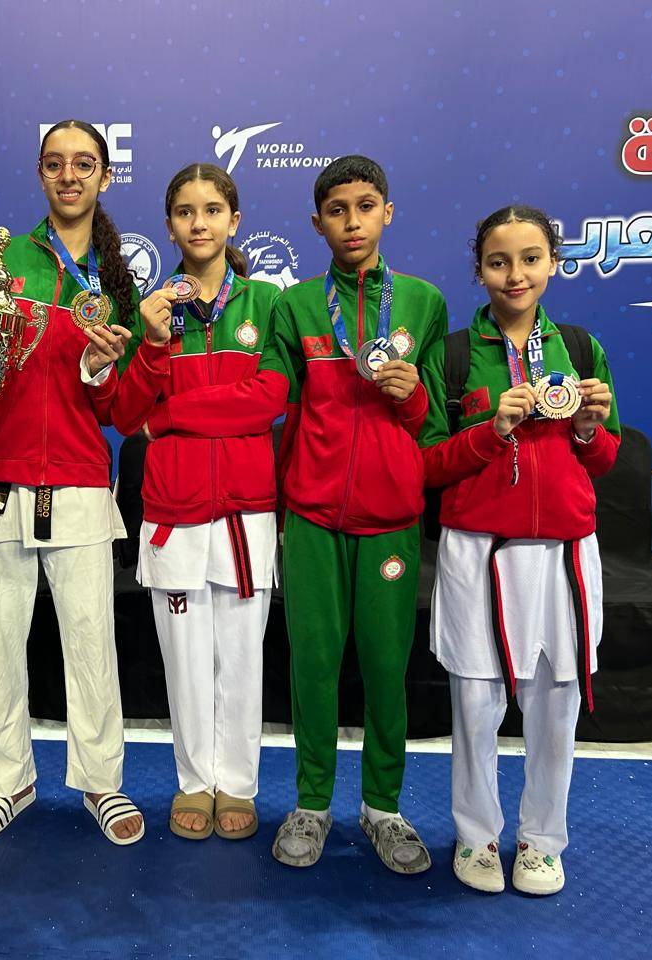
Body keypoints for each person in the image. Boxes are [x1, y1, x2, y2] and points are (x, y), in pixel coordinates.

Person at [0, 119, 144, 846]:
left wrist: (99, 369)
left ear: (105, 176)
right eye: (55, 163)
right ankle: (8, 781)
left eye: (84, 164)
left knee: (91, 643)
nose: (69, 176)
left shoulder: (117, 280)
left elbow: (122, 410)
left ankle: (101, 781)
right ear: (39, 172)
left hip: (81, 480)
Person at [418, 204, 619, 895]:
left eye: (531, 258)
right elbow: (428, 464)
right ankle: (476, 836)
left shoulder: (581, 349)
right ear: (479, 271)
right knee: (476, 707)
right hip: (479, 550)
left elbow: (606, 457)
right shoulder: (451, 355)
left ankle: (541, 840)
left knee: (555, 707)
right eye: (499, 261)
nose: (516, 274)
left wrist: (588, 428)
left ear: (553, 264)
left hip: (563, 553)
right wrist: (491, 431)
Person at [263, 155, 447, 873]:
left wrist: (411, 394)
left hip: (391, 518)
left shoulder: (424, 303)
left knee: (385, 668)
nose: (352, 222)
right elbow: (271, 403)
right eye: (337, 210)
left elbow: (434, 422)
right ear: (317, 223)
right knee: (311, 665)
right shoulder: (296, 306)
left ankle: (383, 807)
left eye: (366, 206)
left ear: (387, 213)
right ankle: (311, 803)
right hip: (312, 518)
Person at [101, 163, 284, 841]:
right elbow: (124, 415)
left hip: (244, 513)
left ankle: (236, 781)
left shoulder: (267, 304)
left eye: (211, 210)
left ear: (234, 221)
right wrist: (152, 348)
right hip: (173, 513)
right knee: (183, 660)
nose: (199, 223)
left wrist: (173, 413)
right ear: (169, 224)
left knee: (241, 659)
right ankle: (193, 780)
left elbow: (268, 400)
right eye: (185, 212)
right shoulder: (152, 310)